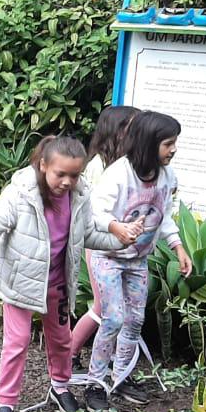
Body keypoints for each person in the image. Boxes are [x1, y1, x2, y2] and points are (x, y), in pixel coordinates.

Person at [0, 136, 138, 412]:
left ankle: (60, 387)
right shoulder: (20, 194)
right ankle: (6, 402)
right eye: (60, 174)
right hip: (21, 284)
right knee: (17, 341)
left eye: (74, 175)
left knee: (62, 339)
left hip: (57, 284)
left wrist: (120, 240)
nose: (67, 182)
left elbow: (87, 235)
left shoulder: (79, 196)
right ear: (43, 166)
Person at [87, 110, 193, 409]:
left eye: (175, 143)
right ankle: (96, 383)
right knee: (114, 318)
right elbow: (95, 212)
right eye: (168, 143)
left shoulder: (166, 176)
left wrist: (177, 246)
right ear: (148, 143)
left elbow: (165, 215)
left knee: (135, 320)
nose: (173, 149)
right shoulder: (119, 174)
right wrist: (116, 227)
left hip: (137, 260)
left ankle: (121, 379)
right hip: (108, 255)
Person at [70, 106, 139, 359]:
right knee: (102, 307)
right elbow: (94, 212)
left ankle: (106, 356)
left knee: (116, 308)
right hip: (99, 245)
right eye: (133, 128)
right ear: (117, 131)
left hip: (120, 244)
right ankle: (70, 353)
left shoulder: (126, 164)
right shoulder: (99, 165)